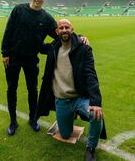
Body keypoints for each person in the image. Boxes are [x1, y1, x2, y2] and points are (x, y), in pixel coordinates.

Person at [1, 0, 88, 136]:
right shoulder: (18, 10)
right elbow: (8, 31)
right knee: (11, 90)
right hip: (13, 58)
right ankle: (13, 122)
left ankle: (33, 119)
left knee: (33, 90)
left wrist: (79, 37)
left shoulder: (46, 18)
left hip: (31, 59)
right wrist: (5, 53)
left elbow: (61, 34)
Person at [36, 19, 106, 161]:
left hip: (80, 97)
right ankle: (70, 115)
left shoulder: (83, 48)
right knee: (66, 134)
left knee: (96, 114)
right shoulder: (52, 48)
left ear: (72, 29)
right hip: (61, 99)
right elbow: (37, 45)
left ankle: (91, 147)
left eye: (67, 27)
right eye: (61, 28)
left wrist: (96, 102)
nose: (64, 30)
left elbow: (91, 74)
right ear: (57, 32)